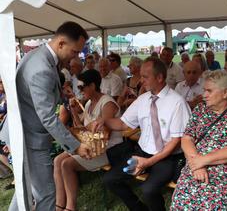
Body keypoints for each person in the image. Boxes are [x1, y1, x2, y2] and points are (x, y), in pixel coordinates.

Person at [8, 21, 91, 211]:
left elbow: (37, 93)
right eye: (75, 52)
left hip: (23, 130)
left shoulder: (37, 55)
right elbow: (47, 118)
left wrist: (61, 95)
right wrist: (76, 147)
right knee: (46, 194)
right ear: (61, 43)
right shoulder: (42, 68)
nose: (76, 57)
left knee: (26, 188)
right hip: (29, 137)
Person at [97, 57, 191, 211]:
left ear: (159, 77)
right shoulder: (143, 99)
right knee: (111, 179)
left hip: (166, 157)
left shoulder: (177, 102)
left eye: (145, 77)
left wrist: (148, 163)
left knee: (148, 189)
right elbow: (122, 123)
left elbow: (176, 141)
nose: (141, 80)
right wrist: (104, 121)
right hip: (142, 154)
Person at [171, 70, 227, 210]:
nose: (204, 95)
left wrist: (203, 161)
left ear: (225, 93)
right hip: (195, 163)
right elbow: (187, 138)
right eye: (204, 90)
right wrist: (197, 162)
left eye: (209, 91)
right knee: (180, 202)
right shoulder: (200, 109)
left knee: (211, 204)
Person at [54, 69, 122, 211]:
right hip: (92, 146)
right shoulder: (88, 104)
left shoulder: (108, 103)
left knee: (66, 164)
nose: (79, 90)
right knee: (57, 160)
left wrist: (87, 129)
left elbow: (104, 133)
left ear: (92, 86)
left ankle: (70, 207)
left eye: (81, 87)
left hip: (108, 149)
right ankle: (59, 204)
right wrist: (73, 109)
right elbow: (81, 129)